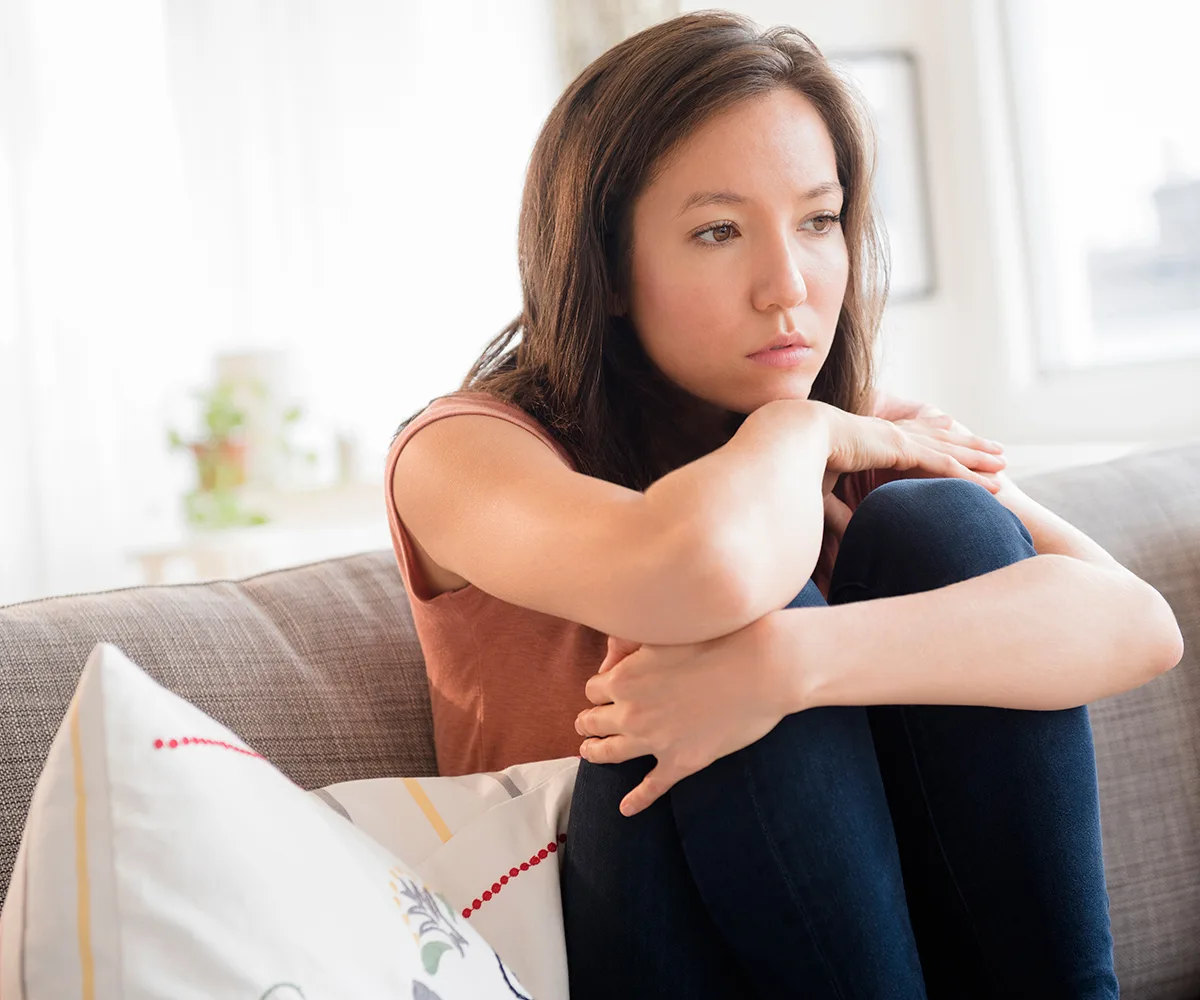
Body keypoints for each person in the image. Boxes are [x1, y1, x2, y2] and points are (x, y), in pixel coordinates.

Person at [384, 11, 1183, 998]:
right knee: (717, 633)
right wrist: (798, 434)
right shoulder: (462, 452)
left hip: (897, 942)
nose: (789, 286)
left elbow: (1134, 623)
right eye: (718, 231)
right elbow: (697, 571)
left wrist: (790, 665)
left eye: (817, 219)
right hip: (617, 944)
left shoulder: (870, 434)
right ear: (608, 267)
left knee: (939, 525)